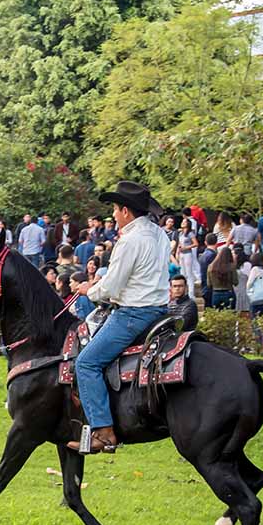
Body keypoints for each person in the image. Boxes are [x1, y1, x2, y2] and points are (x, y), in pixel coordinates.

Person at [68, 181, 169, 455]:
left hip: (133, 314)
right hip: (161, 312)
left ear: (125, 210)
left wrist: (89, 289)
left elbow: (111, 288)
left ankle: (104, 432)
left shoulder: (129, 241)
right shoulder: (160, 235)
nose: (112, 214)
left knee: (86, 363)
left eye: (114, 208)